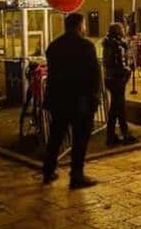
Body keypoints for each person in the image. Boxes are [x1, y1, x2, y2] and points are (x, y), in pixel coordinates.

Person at [42, 12, 102, 189]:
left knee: (56, 135)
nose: (85, 28)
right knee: (80, 138)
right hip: (79, 100)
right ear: (79, 26)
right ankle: (76, 174)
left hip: (58, 99)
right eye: (83, 25)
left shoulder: (54, 46)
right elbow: (94, 75)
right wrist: (94, 97)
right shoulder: (86, 46)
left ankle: (48, 169)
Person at [102, 23, 137, 147]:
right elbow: (121, 65)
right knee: (116, 108)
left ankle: (121, 132)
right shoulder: (118, 46)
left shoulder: (108, 44)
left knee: (118, 107)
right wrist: (129, 70)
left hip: (111, 78)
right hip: (118, 79)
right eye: (122, 29)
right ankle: (113, 135)